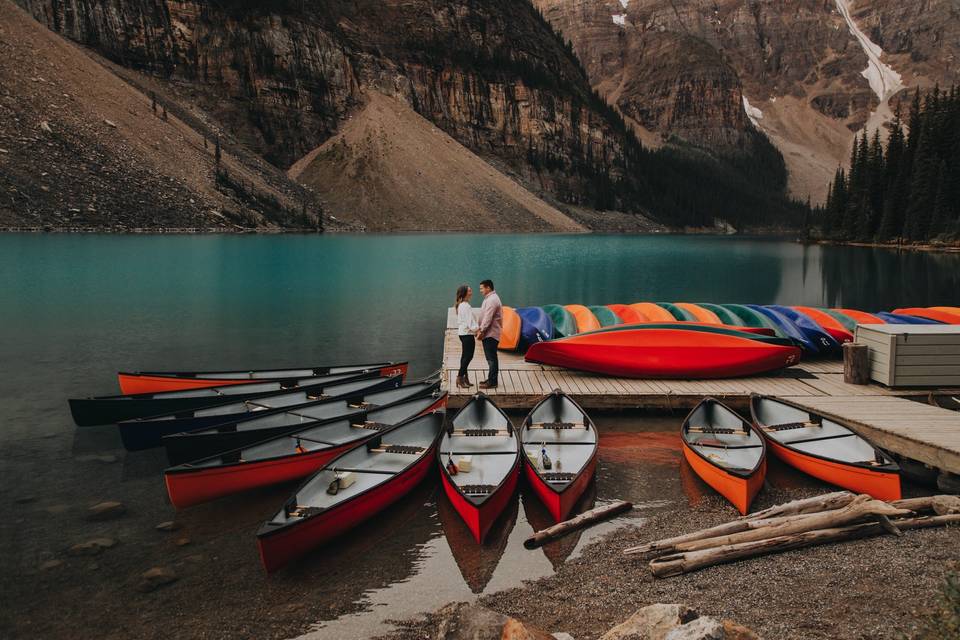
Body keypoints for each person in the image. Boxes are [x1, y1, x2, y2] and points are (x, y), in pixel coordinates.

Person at [475, 279, 502, 389]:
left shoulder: (492, 300)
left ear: (488, 288)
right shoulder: (490, 298)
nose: (480, 290)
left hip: (491, 333)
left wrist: (481, 330)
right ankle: (491, 379)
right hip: (490, 333)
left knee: (491, 358)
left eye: (481, 288)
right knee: (491, 358)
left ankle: (492, 382)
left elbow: (488, 318)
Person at [455, 284, 478, 388]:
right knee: (468, 356)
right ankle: (460, 377)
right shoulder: (465, 306)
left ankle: (464, 377)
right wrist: (478, 330)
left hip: (463, 333)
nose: (471, 292)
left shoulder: (462, 305)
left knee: (465, 356)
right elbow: (470, 322)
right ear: (464, 293)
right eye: (469, 291)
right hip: (467, 334)